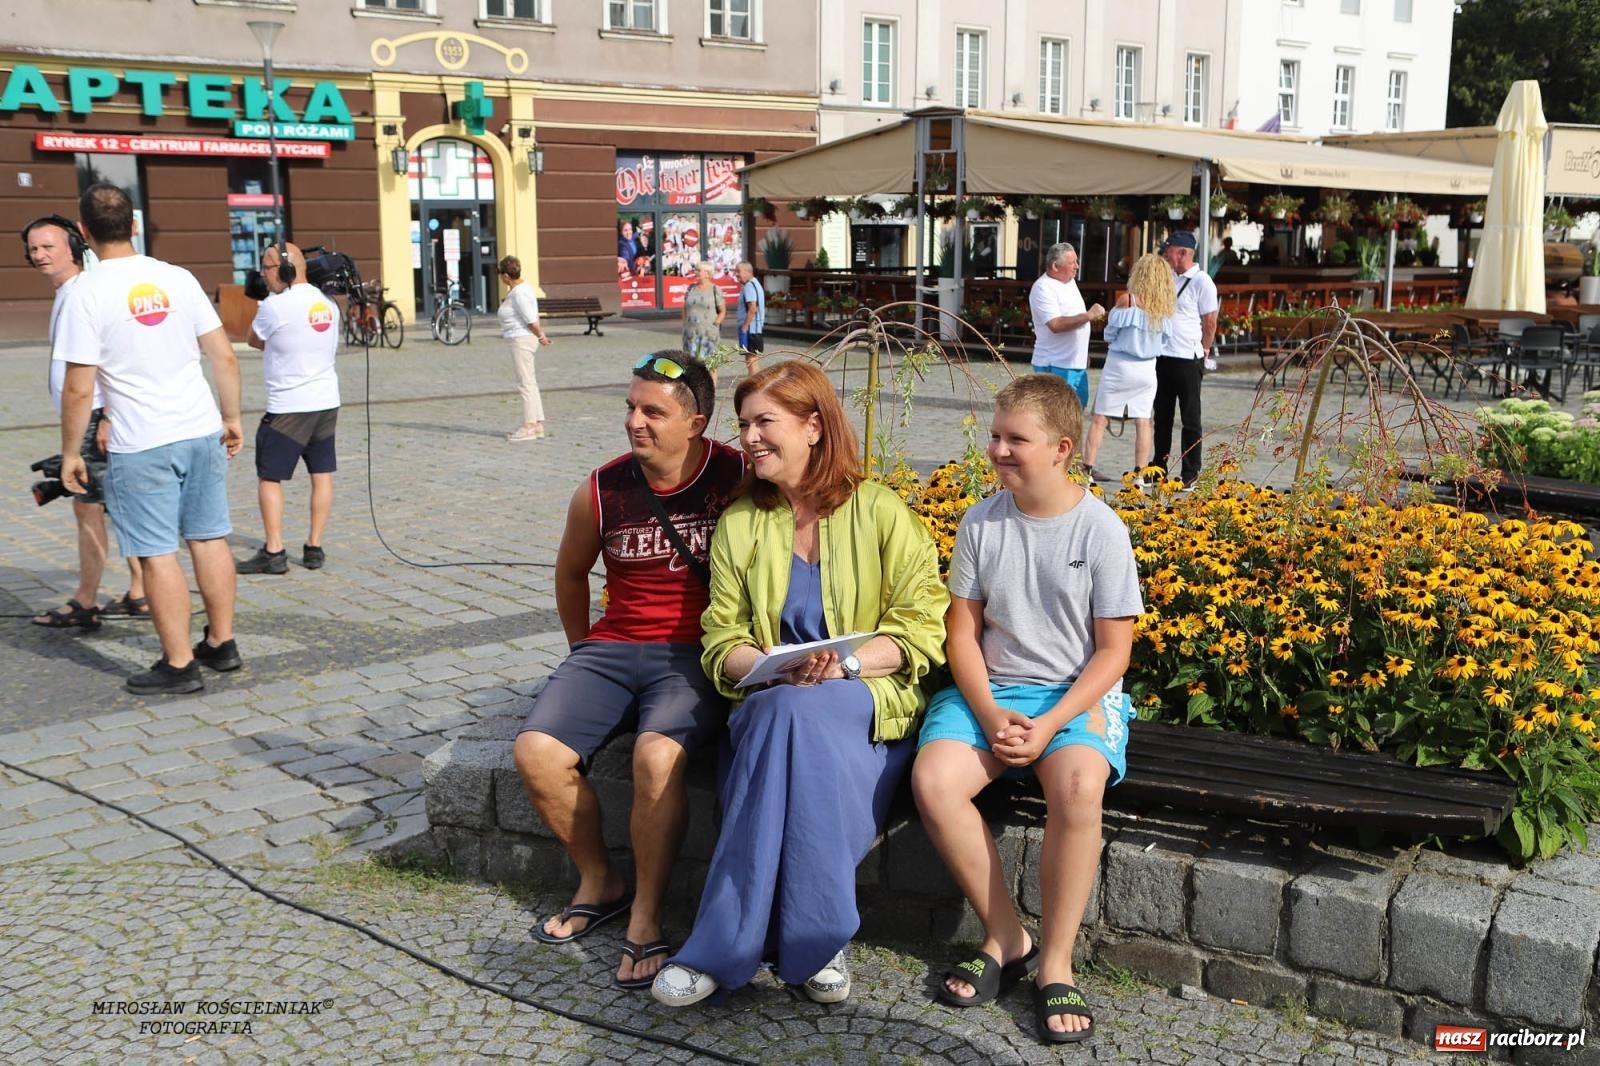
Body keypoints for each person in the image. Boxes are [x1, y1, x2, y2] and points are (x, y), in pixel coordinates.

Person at [651, 360, 949, 1009]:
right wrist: (761, 666)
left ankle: (717, 947)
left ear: (813, 426)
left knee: (795, 718)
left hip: (866, 703)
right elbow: (721, 637)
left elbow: (924, 627)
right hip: (770, 707)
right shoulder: (741, 524)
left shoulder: (879, 511)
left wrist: (843, 664)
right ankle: (816, 939)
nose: (750, 438)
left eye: (766, 423)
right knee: (786, 713)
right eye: (745, 425)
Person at [913, 374, 1141, 1046]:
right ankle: (1006, 933)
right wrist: (986, 714)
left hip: (1075, 696)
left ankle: (1057, 962)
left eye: (1017, 440)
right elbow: (962, 632)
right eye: (996, 436)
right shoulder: (982, 521)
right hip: (993, 691)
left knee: (1076, 784)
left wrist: (1046, 725)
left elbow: (1113, 655)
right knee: (934, 780)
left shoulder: (1101, 530)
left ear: (1062, 448)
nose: (1000, 450)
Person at [514, 351, 744, 991]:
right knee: (535, 751)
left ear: (695, 423)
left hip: (695, 653)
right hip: (613, 647)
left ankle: (647, 912)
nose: (634, 422)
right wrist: (581, 651)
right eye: (630, 407)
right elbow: (569, 573)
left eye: (653, 412)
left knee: (655, 756)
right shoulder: (601, 488)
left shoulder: (738, 474)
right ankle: (600, 880)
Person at [55, 182, 244, 695]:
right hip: (200, 427)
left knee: (157, 551)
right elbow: (224, 356)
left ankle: (180, 665)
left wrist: (71, 451)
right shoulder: (177, 277)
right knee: (209, 536)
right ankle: (221, 644)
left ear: (85, 233)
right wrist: (232, 416)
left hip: (142, 440)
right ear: (133, 226)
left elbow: (78, 385)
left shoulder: (85, 292)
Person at [25, 214, 148, 629]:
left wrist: (110, 414)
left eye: (48, 247)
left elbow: (118, 357)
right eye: (33, 249)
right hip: (89, 416)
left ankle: (86, 601)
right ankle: (140, 591)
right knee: (117, 506)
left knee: (89, 509)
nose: (39, 255)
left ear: (74, 246)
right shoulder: (69, 291)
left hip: (97, 417)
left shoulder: (83, 293)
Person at [235, 242, 341, 575]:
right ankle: (314, 546)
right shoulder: (327, 304)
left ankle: (274, 551)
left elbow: (253, 339)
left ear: (286, 270)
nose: (262, 276)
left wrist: (265, 307)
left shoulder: (274, 307)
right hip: (326, 402)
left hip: (289, 406)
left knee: (269, 476)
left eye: (266, 268)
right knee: (321, 474)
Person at [1081, 253, 1176, 482]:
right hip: (1147, 369)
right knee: (1143, 421)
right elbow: (1164, 341)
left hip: (1120, 365)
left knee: (1100, 418)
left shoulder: (1128, 300)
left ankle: (1087, 470)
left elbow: (1110, 333)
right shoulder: (1163, 307)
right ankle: (1139, 475)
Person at [1151, 231, 1219, 489]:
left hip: (1188, 357)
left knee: (1191, 417)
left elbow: (1210, 319)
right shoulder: (1166, 276)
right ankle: (1159, 465)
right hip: (1163, 354)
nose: (1165, 255)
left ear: (1182, 253)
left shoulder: (1202, 281)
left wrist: (1204, 349)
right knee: (1162, 414)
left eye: (1168, 251)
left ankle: (1191, 470)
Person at [1028, 242, 1105, 406]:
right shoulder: (1043, 287)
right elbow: (1055, 324)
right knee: (1058, 414)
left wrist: (1083, 352)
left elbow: (1072, 317)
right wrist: (1089, 315)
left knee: (1078, 408)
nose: (1077, 266)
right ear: (1055, 266)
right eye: (1072, 263)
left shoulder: (1069, 281)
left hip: (1073, 361)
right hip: (1055, 364)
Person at [496, 255, 553, 442]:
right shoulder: (520, 290)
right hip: (521, 339)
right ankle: (537, 424)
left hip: (521, 340)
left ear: (506, 276)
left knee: (525, 383)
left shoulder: (519, 293)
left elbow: (531, 320)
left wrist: (541, 335)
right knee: (530, 381)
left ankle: (529, 425)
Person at [679, 261, 725, 363]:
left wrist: (715, 324)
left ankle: (712, 380)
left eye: (699, 270)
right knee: (692, 364)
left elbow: (722, 311)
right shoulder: (691, 289)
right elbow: (685, 307)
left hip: (708, 333)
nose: (696, 272)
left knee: (710, 364)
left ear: (708, 274)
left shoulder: (715, 289)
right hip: (691, 334)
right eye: (696, 270)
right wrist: (685, 324)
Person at [735, 260, 765, 376]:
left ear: (748, 271)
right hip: (755, 329)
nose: (736, 274)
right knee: (753, 359)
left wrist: (744, 326)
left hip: (751, 330)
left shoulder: (749, 286)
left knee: (751, 360)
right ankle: (756, 384)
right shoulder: (755, 283)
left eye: (738, 271)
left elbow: (752, 307)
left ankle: (754, 386)